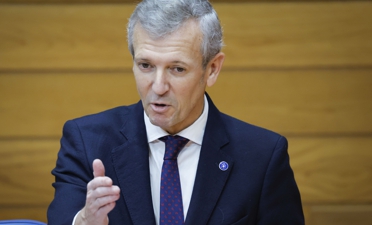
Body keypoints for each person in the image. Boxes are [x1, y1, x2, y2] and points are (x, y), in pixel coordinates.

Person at [47, 0, 304, 224]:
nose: (158, 86)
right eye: (146, 65)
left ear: (212, 69)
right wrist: (85, 222)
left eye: (177, 69)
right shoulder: (86, 142)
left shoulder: (263, 156)